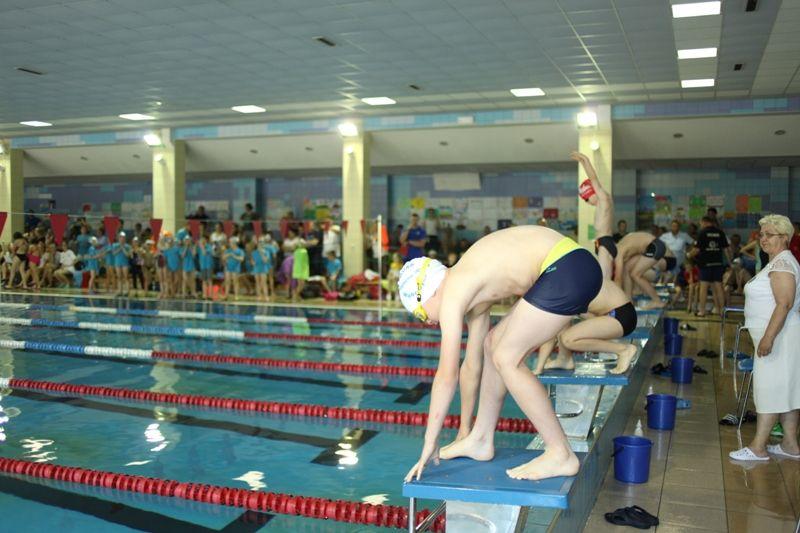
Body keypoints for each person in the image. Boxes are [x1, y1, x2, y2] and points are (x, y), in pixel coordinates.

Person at [398, 225, 602, 482]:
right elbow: (471, 367)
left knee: (507, 357)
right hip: (572, 266)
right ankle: (481, 439)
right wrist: (464, 430)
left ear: (428, 292)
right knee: (493, 343)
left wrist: (430, 440)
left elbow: (445, 376)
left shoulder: (452, 292)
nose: (427, 322)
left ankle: (560, 453)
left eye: (420, 314)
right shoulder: (470, 284)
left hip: (566, 269)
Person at [729, 214, 800, 461]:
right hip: (783, 336)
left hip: (779, 338)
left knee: (769, 390)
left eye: (769, 235)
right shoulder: (778, 262)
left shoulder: (782, 265)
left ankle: (759, 446)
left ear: (785, 237)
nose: (763, 239)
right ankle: (790, 444)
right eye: (762, 234)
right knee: (787, 391)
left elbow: (784, 303)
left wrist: (768, 338)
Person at [533, 279, 637, 375]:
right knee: (563, 321)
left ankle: (623, 350)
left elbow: (551, 331)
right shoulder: (566, 278)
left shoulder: (558, 288)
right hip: (620, 314)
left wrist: (538, 368)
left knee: (569, 339)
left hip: (619, 317)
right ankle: (564, 359)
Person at [573, 151, 615, 279]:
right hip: (601, 243)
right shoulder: (601, 204)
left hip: (605, 244)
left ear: (592, 192)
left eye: (586, 199)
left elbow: (593, 179)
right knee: (603, 282)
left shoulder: (604, 199)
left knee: (604, 284)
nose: (586, 202)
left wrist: (584, 160)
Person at [614, 232, 675, 309]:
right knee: (627, 267)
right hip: (654, 245)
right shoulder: (622, 245)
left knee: (635, 274)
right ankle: (629, 299)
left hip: (654, 246)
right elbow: (624, 271)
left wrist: (615, 299)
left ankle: (657, 301)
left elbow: (618, 279)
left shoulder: (618, 252)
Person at [689, 216, 730, 317]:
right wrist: (729, 262)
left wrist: (689, 255)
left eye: (701, 223)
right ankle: (722, 311)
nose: (700, 225)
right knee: (719, 287)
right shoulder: (720, 233)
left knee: (704, 287)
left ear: (704, 222)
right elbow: (726, 250)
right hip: (718, 263)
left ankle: (702, 311)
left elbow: (697, 250)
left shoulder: (702, 233)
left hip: (705, 264)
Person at [197, 236, 215, 300]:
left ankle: (210, 295)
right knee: (204, 281)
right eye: (201, 240)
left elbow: (204, 253)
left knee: (209, 280)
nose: (202, 242)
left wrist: (202, 247)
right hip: (202, 266)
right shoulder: (199, 247)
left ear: (205, 241)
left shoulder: (209, 246)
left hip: (209, 265)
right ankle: (204, 295)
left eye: (203, 240)